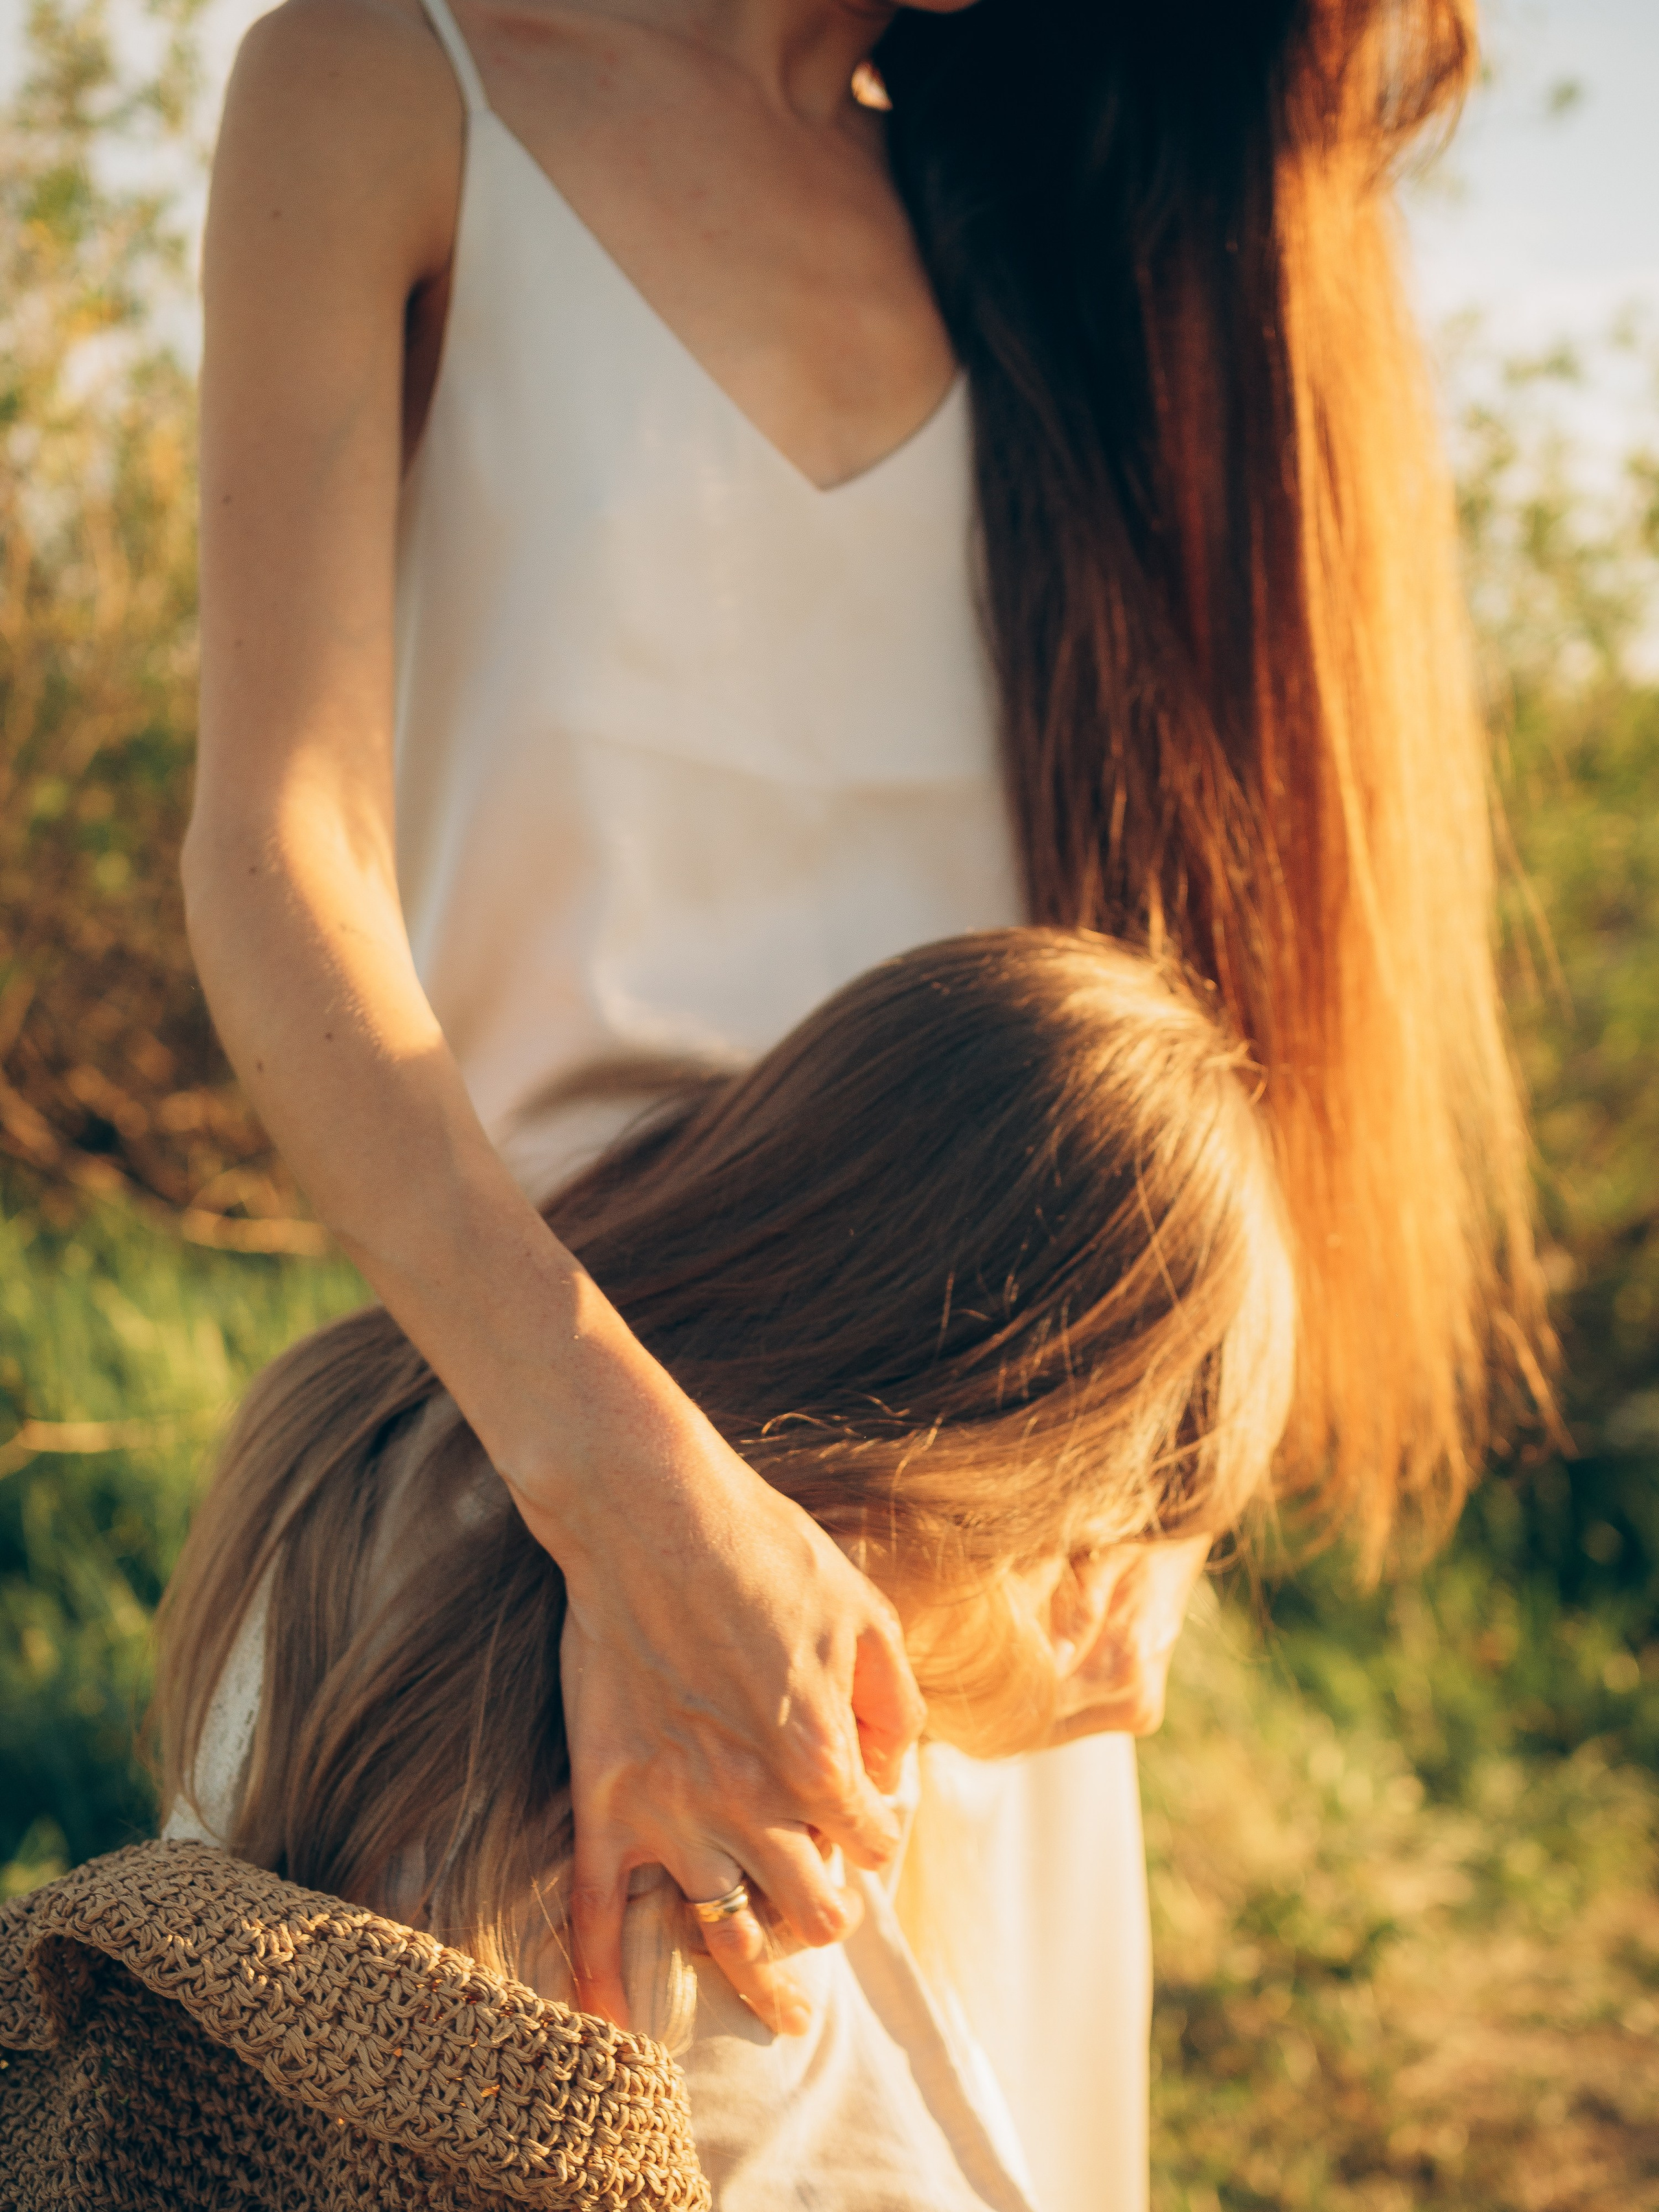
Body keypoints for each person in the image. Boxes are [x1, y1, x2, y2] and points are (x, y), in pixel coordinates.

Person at [180, 0, 1546, 2202]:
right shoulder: (389, 78)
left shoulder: (1030, 220)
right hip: (526, 1499)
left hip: (964, 1595)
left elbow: (1156, 928)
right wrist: (634, 1510)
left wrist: (1134, 1523)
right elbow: (274, 867)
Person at [157, 928, 1297, 2211]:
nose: (1126, 1669)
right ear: (1017, 1459)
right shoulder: (722, 1842)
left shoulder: (363, 1442)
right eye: (1106, 1541)